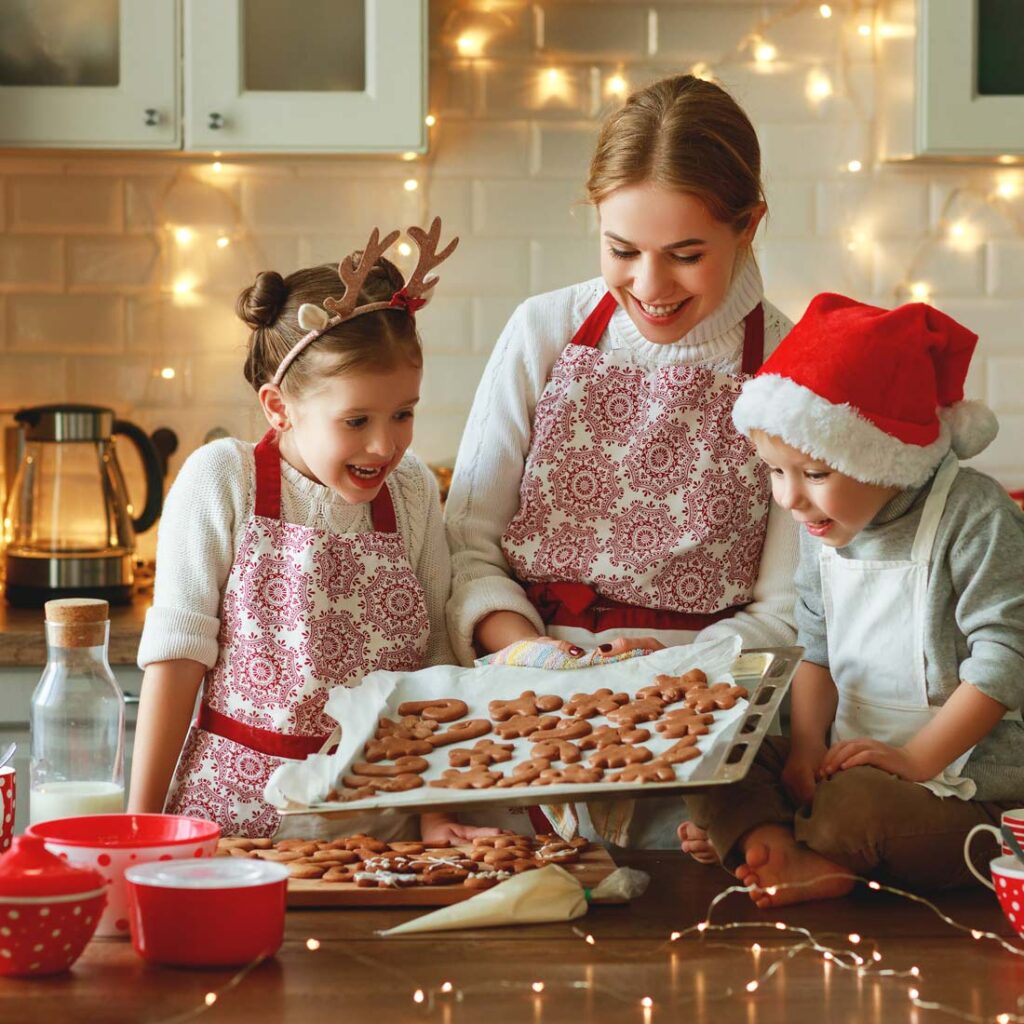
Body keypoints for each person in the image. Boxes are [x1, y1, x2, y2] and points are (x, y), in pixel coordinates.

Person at [444, 74, 799, 847]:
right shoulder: (544, 332)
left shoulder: (789, 367)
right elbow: (466, 546)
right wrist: (531, 653)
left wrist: (679, 686)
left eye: (685, 254)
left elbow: (789, 613)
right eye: (622, 250)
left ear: (749, 225)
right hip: (523, 725)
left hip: (700, 761)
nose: (649, 284)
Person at [129, 220, 493, 844]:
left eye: (403, 413)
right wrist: (142, 825)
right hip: (236, 821)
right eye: (356, 420)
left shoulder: (408, 492)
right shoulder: (224, 479)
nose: (386, 444)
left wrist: (436, 814)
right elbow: (177, 659)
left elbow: (432, 664)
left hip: (380, 826)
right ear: (280, 408)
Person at [684, 292, 1024, 905]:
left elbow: (1006, 658)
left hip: (959, 780)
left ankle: (808, 849)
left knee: (853, 811)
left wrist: (917, 761)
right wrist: (807, 751)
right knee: (718, 750)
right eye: (775, 470)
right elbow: (813, 646)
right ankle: (778, 840)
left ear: (885, 458)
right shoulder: (823, 528)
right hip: (850, 755)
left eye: (815, 474)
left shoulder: (974, 514)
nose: (790, 498)